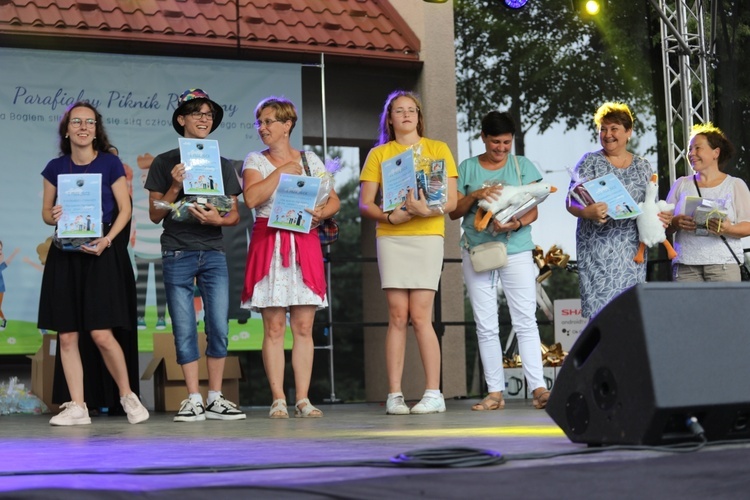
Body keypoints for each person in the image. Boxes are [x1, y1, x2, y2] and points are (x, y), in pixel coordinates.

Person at [38, 102, 149, 426]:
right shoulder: (54, 168)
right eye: (77, 122)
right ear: (67, 129)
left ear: (96, 129)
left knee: (101, 333)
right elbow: (46, 214)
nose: (83, 127)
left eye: (89, 122)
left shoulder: (110, 164)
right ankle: (77, 405)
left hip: (98, 254)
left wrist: (107, 239)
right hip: (65, 256)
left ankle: (128, 395)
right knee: (68, 336)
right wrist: (53, 215)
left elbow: (125, 209)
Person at [146, 89, 245, 422]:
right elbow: (155, 214)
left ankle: (215, 397)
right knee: (184, 327)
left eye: (209, 114)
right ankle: (192, 398)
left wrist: (219, 219)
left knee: (218, 325)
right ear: (181, 119)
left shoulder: (221, 164)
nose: (205, 118)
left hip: (214, 252)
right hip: (177, 251)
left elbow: (232, 215)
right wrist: (175, 187)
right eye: (197, 113)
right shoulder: (164, 162)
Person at [359, 90, 458, 415]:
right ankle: (395, 394)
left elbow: (452, 202)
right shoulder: (379, 153)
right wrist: (391, 216)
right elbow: (365, 203)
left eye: (411, 110)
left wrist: (424, 210)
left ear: (419, 116)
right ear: (389, 118)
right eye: (398, 111)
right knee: (397, 315)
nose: (405, 115)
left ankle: (433, 393)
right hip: (392, 235)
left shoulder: (437, 149)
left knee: (421, 315)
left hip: (427, 235)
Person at [241, 97, 340, 419]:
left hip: (304, 242)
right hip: (270, 242)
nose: (262, 128)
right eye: (260, 122)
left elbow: (334, 199)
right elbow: (252, 198)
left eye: (269, 121)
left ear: (287, 125)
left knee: (303, 326)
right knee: (272, 327)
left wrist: (322, 212)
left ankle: (303, 399)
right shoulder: (255, 160)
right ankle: (278, 398)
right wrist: (283, 170)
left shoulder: (310, 159)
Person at [448, 111, 550, 411]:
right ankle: (495, 393)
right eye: (496, 142)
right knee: (485, 323)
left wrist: (513, 225)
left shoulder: (522, 166)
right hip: (477, 251)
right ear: (483, 137)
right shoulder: (467, 167)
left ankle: (539, 388)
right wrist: (476, 194)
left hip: (516, 247)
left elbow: (533, 209)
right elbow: (453, 212)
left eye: (507, 142)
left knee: (525, 320)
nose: (502, 148)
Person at [566, 102, 667, 319]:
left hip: (632, 253)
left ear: (628, 132)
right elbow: (570, 201)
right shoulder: (589, 161)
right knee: (602, 317)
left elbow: (652, 206)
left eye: (614, 129)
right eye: (603, 129)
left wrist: (662, 217)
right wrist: (586, 212)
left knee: (630, 314)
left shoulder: (643, 166)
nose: (607, 134)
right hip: (596, 252)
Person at [667, 123, 750, 281]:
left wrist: (727, 228)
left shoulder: (735, 184)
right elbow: (664, 226)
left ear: (716, 152)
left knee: (724, 307)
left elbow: (748, 225)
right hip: (686, 265)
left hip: (723, 265)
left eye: (697, 148)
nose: (692, 153)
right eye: (690, 149)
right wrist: (675, 222)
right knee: (687, 307)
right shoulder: (681, 184)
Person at [0, 241, 20, 330]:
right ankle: (4, 320)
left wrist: (15, 253)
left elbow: (7, 262)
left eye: (0, 250)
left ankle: (4, 320)